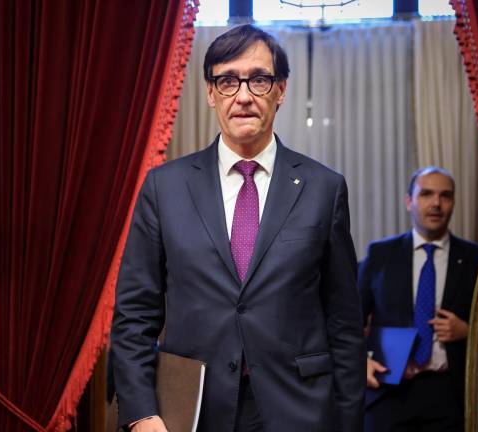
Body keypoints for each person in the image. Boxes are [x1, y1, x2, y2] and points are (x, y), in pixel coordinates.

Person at [110, 25, 364, 432]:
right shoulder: (165, 187)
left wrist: (349, 422)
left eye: (259, 79)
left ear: (280, 90)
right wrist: (141, 412)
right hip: (192, 413)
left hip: (299, 411)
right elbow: (134, 314)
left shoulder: (323, 188)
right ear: (210, 93)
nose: (243, 96)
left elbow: (344, 324)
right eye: (228, 81)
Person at [358, 167, 478, 431]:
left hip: (450, 395)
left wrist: (470, 331)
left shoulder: (476, 259)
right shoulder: (381, 254)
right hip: (387, 392)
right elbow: (347, 321)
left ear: (453, 203)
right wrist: (361, 361)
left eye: (445, 196)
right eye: (426, 194)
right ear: (409, 201)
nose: (436, 203)